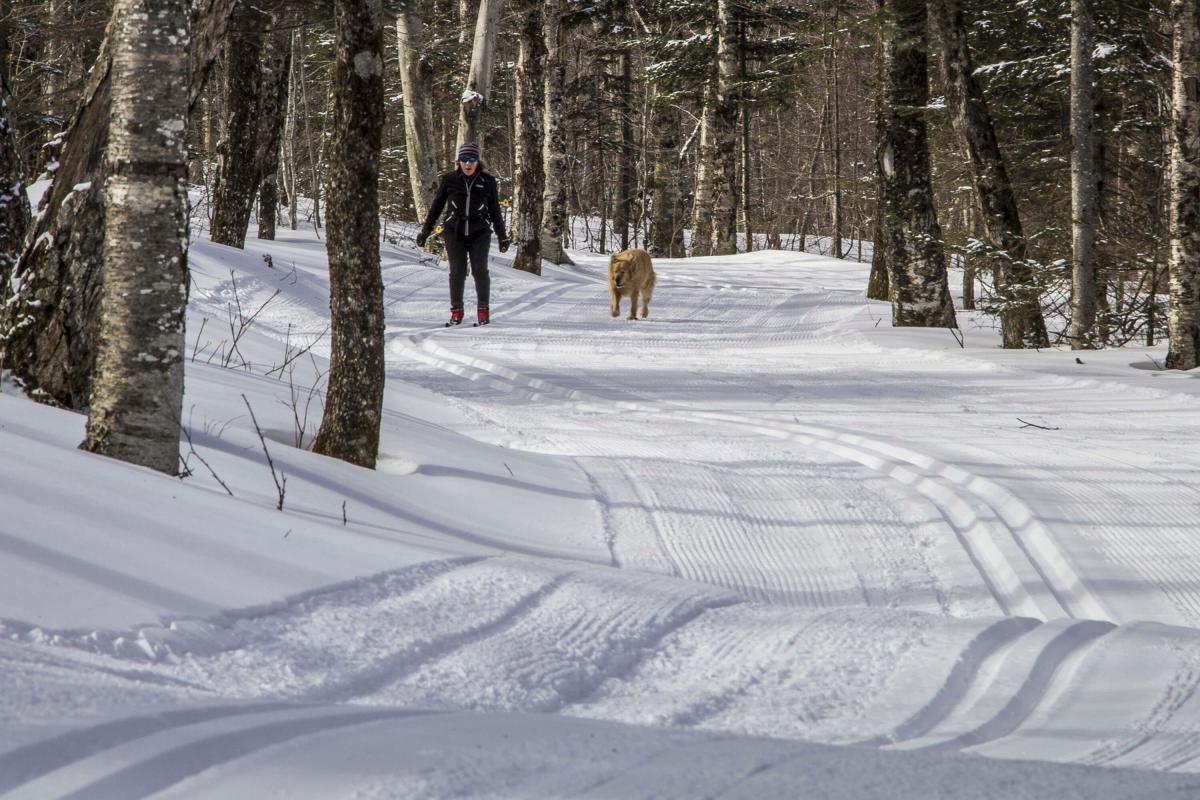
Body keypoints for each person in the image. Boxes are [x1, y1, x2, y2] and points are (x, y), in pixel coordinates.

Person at [416, 142, 510, 326]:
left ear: (477, 161)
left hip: (480, 232)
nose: (468, 164)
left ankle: (483, 312)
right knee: (457, 272)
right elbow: (436, 207)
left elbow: (495, 211)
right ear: (459, 161)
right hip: (454, 232)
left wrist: (502, 236)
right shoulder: (450, 180)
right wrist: (425, 232)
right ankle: (456, 312)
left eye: (472, 160)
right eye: (464, 160)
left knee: (479, 270)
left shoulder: (487, 181)